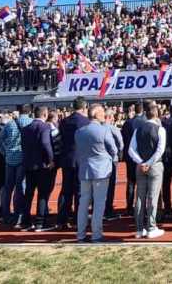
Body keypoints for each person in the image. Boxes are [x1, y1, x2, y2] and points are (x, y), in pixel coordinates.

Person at [74, 104, 118, 243]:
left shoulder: (79, 132)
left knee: (83, 203)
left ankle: (80, 234)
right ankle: (96, 234)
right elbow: (113, 149)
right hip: (101, 170)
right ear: (97, 114)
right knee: (99, 203)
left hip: (85, 170)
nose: (104, 115)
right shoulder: (103, 130)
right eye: (102, 113)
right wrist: (110, 157)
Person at [128, 100, 166, 239]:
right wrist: (148, 163)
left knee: (140, 197)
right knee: (152, 197)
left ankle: (139, 228)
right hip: (154, 166)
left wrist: (141, 162)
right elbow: (160, 150)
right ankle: (151, 226)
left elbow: (131, 150)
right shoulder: (160, 129)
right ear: (156, 113)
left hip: (141, 166)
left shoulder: (138, 129)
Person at [0, 105, 32, 228]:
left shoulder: (10, 124)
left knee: (8, 188)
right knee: (20, 188)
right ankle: (18, 215)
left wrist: (5, 152)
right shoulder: (30, 123)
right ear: (30, 111)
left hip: (10, 159)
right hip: (23, 158)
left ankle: (5, 215)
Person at [56, 97, 90, 230]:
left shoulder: (64, 121)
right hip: (81, 159)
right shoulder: (86, 122)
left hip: (67, 159)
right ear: (84, 107)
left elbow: (62, 139)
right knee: (80, 191)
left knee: (66, 191)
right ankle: (78, 219)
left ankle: (62, 220)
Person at [20, 105, 55, 232]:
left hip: (29, 165)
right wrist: (51, 160)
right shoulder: (44, 126)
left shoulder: (26, 128)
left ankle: (25, 221)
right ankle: (40, 222)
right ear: (45, 115)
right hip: (41, 165)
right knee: (42, 194)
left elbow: (23, 145)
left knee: (29, 194)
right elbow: (46, 143)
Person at [120, 103, 144, 217]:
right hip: (142, 156)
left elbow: (123, 138)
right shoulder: (145, 122)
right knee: (141, 183)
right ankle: (140, 207)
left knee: (130, 182)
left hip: (130, 156)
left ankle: (129, 207)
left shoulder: (128, 123)